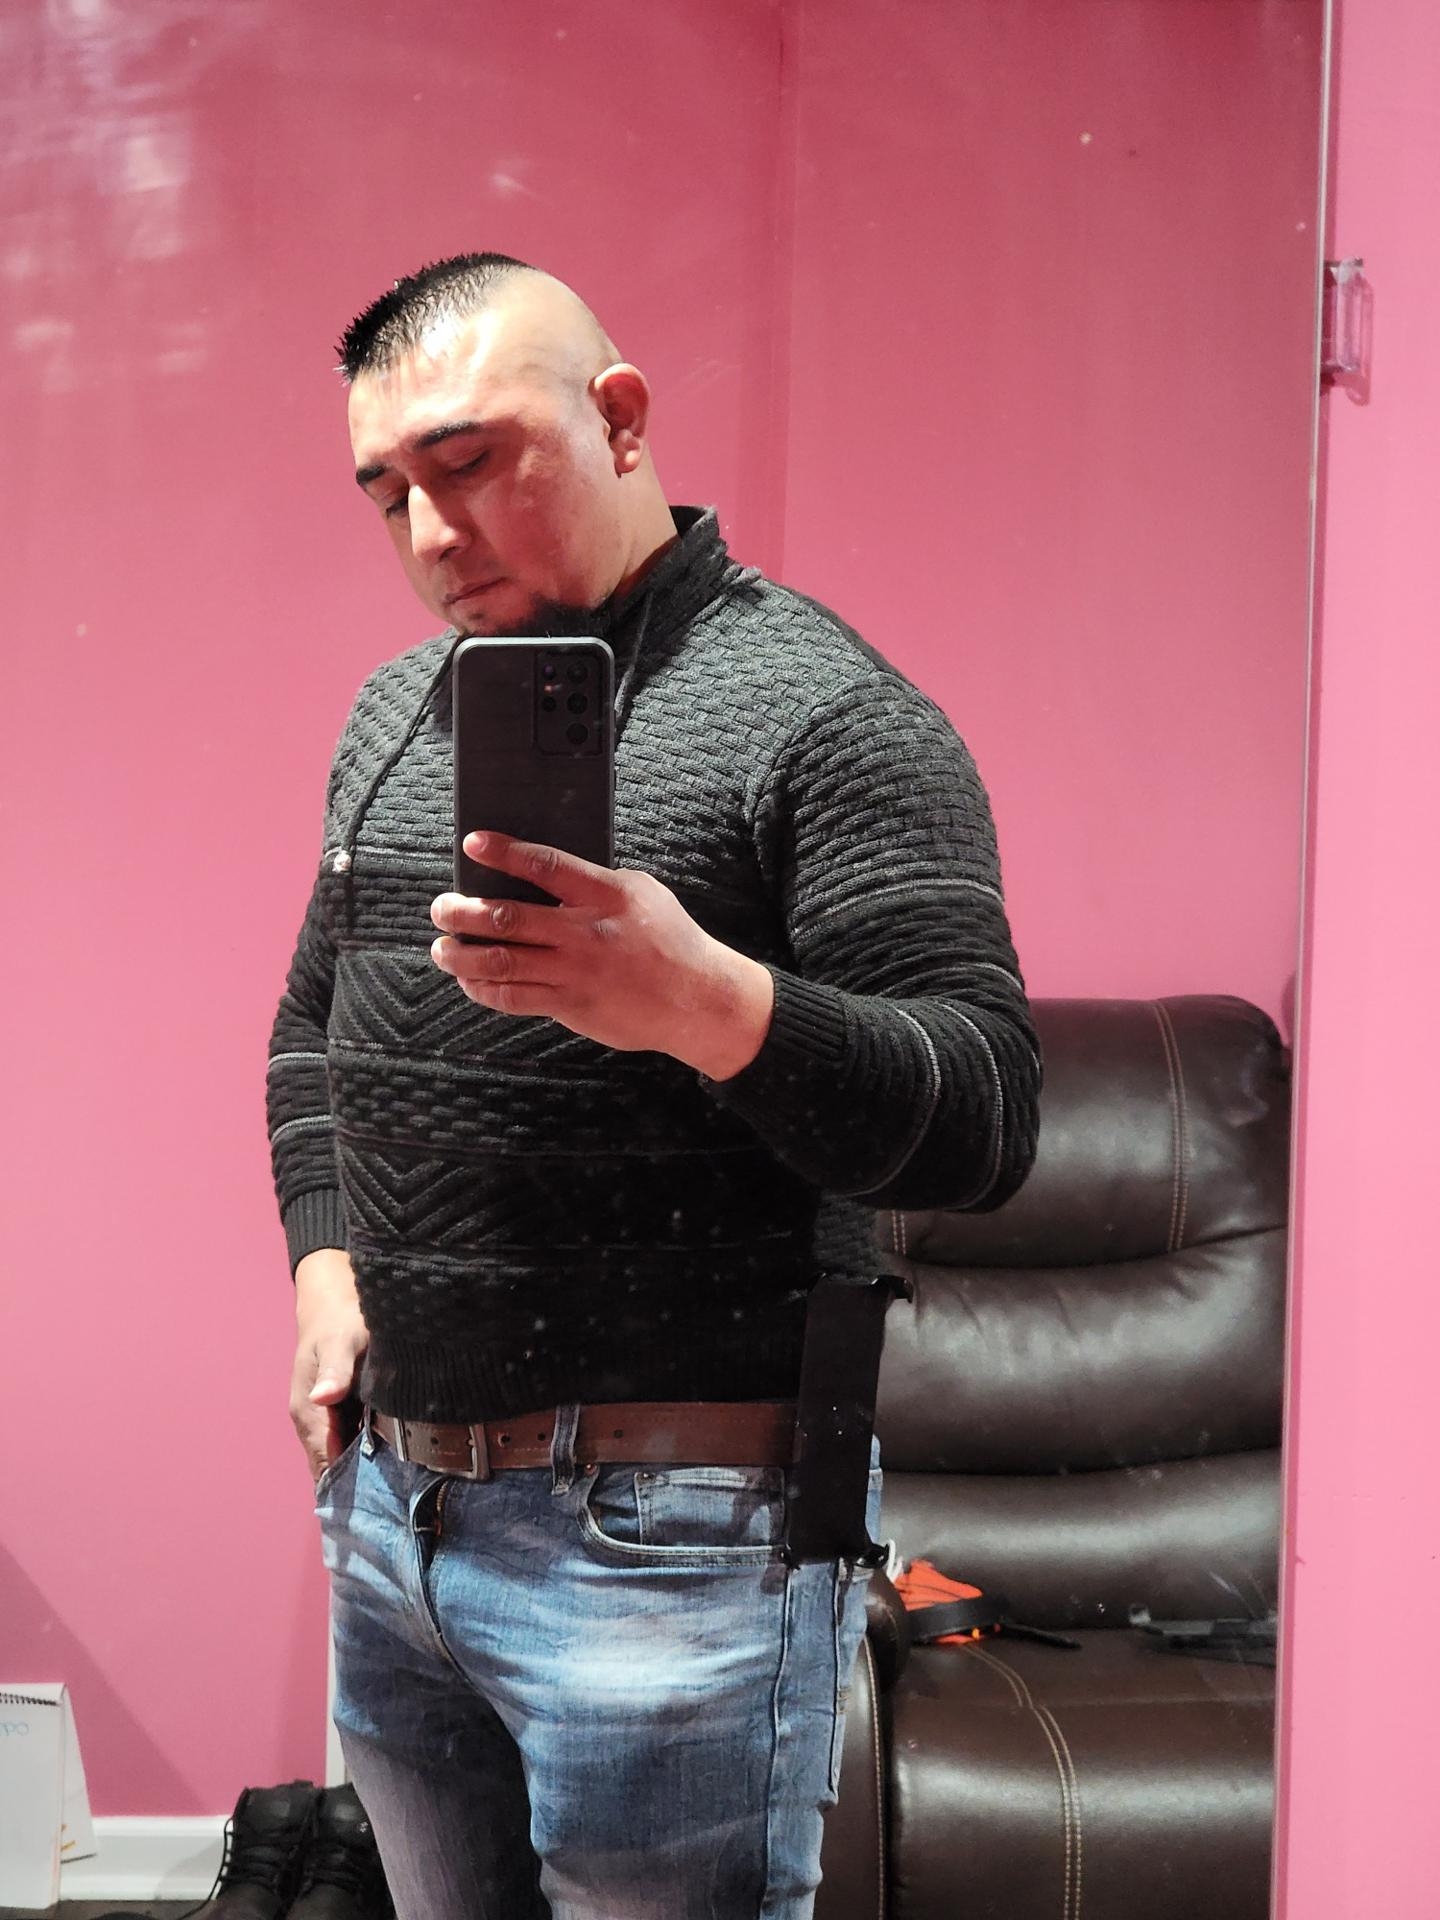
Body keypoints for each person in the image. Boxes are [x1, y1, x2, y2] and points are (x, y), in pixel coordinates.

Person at [267, 252, 1041, 1920]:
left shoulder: (826, 715)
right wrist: (326, 1259)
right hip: (395, 1514)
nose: (430, 535)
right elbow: (309, 1032)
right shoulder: (396, 715)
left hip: (679, 1535)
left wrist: (709, 1005)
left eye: (470, 462)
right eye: (388, 491)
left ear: (620, 419)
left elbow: (987, 1115)